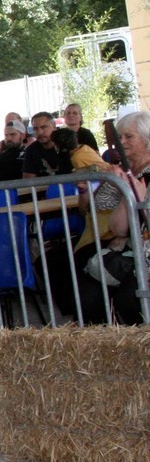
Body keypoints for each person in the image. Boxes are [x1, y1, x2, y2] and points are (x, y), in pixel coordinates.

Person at [82, 110, 150, 324]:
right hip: (135, 251)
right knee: (88, 294)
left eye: (128, 137)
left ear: (147, 140)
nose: (121, 142)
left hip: (143, 253)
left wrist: (138, 198)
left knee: (130, 298)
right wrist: (122, 187)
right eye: (119, 137)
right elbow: (102, 207)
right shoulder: (124, 173)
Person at [21, 111, 71, 179]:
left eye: (44, 127)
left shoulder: (67, 144)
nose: (39, 132)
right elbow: (29, 184)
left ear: (54, 126)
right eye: (35, 129)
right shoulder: (31, 151)